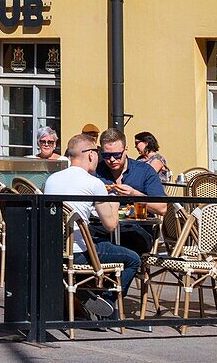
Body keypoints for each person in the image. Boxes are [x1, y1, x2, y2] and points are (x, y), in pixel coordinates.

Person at [44, 133, 139, 320]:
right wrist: (114, 202)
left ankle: (83, 296)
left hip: (53, 250)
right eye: (97, 152)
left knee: (99, 243)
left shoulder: (51, 180)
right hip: (79, 254)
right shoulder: (94, 183)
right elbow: (111, 225)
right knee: (133, 259)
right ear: (90, 155)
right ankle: (107, 302)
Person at [94, 127, 167, 256]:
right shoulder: (96, 172)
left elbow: (161, 208)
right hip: (102, 229)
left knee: (126, 248)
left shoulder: (144, 171)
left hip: (135, 230)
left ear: (125, 150)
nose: (111, 160)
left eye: (116, 155)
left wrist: (134, 194)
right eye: (106, 155)